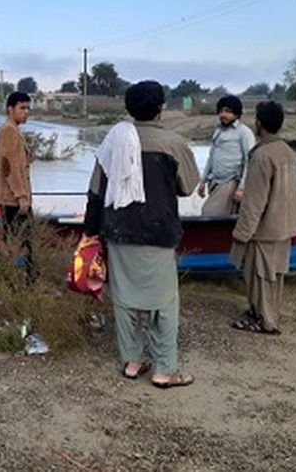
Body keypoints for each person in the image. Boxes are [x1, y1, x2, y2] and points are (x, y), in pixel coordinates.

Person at [83, 80, 198, 389]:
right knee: (164, 303)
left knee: (123, 299)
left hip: (118, 231)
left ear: (128, 109)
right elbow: (188, 187)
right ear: (161, 108)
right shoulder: (174, 144)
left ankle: (132, 362)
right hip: (158, 234)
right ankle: (163, 369)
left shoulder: (111, 144)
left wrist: (89, 233)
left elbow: (95, 193)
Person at [230, 101, 296, 335]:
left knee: (259, 276)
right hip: (284, 226)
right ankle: (264, 314)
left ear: (258, 123)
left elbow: (254, 202)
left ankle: (266, 322)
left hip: (265, 229)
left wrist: (242, 233)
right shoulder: (286, 151)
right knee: (274, 277)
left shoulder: (262, 155)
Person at [0, 91, 33, 279]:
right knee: (25, 242)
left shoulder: (12, 129)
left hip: (12, 197)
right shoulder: (9, 131)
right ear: (10, 109)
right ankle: (21, 281)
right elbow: (11, 167)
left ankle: (12, 279)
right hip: (13, 199)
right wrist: (21, 196)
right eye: (22, 108)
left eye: (27, 108)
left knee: (14, 240)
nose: (26, 112)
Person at [197, 95, 255, 215]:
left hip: (231, 182)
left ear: (237, 114)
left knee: (209, 213)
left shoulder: (244, 133)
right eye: (221, 111)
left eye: (228, 111)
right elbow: (211, 157)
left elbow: (249, 162)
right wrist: (203, 181)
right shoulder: (218, 131)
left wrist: (241, 188)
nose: (223, 115)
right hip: (214, 182)